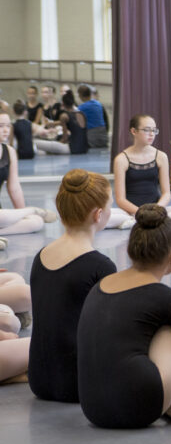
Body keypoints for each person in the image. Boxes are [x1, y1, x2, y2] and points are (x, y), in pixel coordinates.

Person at [76, 204, 171, 428]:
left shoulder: (100, 285)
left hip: (92, 408)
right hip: (141, 408)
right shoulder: (170, 301)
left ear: (129, 250)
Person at [28, 169, 117, 402]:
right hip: (78, 384)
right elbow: (112, 333)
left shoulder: (41, 256)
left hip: (39, 380)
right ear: (98, 215)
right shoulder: (101, 266)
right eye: (110, 205)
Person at [112, 114, 171, 229]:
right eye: (146, 130)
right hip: (130, 212)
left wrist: (155, 211)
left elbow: (166, 193)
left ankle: (139, 222)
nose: (151, 134)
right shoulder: (121, 159)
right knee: (105, 215)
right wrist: (140, 212)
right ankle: (142, 220)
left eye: (154, 130)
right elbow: (120, 199)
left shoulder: (161, 156)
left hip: (156, 210)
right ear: (134, 131)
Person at [0, 112, 58, 240]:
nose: (5, 130)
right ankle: (33, 210)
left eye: (8, 126)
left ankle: (29, 213)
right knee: (4, 217)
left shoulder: (9, 151)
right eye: (1, 126)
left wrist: (21, 213)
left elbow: (14, 187)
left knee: (36, 222)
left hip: (1, 214)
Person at [57, 91, 89, 155]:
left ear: (63, 104)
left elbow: (64, 138)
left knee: (39, 144)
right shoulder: (82, 114)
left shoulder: (64, 116)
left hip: (73, 149)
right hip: (84, 148)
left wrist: (58, 143)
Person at [77, 84, 108, 148]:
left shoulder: (81, 108)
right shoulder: (99, 104)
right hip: (104, 136)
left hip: (92, 139)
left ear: (80, 95)